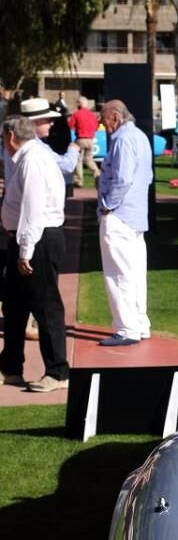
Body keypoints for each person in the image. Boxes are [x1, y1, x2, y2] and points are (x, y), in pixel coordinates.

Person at [0, 116, 69, 392]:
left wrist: (25, 251)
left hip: (39, 239)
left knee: (45, 305)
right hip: (23, 238)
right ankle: (10, 367)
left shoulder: (33, 160)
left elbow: (34, 210)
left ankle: (58, 372)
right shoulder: (24, 158)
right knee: (14, 305)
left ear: (11, 136)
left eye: (3, 138)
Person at [97, 100, 153, 346]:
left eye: (104, 119)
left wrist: (108, 205)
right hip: (135, 217)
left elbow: (122, 180)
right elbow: (147, 177)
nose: (103, 124)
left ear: (115, 117)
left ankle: (126, 329)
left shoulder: (123, 139)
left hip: (119, 217)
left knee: (118, 274)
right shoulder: (139, 137)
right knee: (135, 274)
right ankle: (139, 325)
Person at [68, 96, 101, 188]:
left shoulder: (76, 114)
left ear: (79, 104)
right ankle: (97, 174)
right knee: (89, 160)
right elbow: (96, 127)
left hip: (80, 139)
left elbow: (70, 126)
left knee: (78, 160)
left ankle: (78, 181)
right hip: (91, 140)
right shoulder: (92, 115)